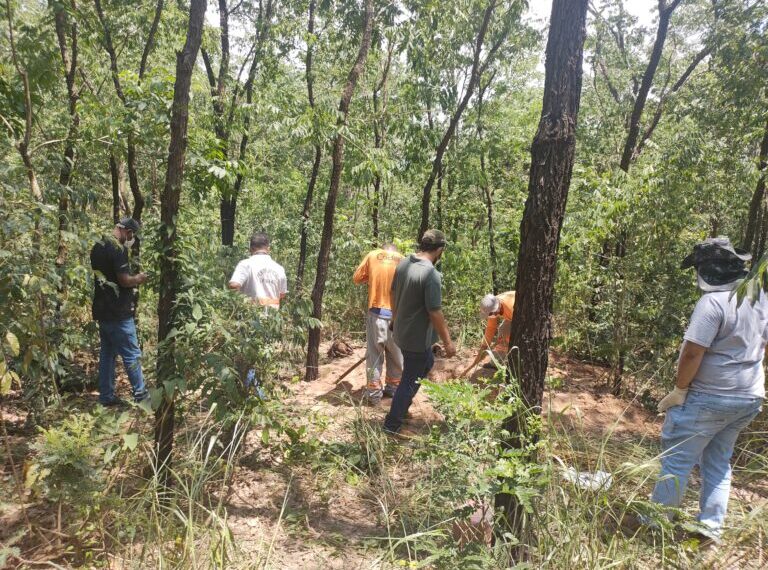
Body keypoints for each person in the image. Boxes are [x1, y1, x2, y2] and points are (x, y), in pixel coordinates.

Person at [651, 236, 765, 540]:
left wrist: (680, 389)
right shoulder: (759, 297)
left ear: (708, 270)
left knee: (677, 460)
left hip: (708, 397)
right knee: (718, 462)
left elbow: (692, 352)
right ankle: (709, 529)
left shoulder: (712, 302)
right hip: (748, 398)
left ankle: (656, 527)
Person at [384, 229, 456, 434]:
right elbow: (435, 312)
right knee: (410, 379)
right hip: (416, 338)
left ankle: (401, 408)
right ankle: (392, 425)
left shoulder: (405, 262)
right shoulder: (431, 274)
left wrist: (395, 319)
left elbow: (393, 292)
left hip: (402, 333)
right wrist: (448, 342)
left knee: (426, 363)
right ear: (440, 249)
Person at [90, 217, 148, 406]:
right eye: (131, 234)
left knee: (107, 354)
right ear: (125, 231)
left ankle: (106, 396)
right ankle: (141, 396)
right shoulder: (118, 248)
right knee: (132, 353)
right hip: (118, 313)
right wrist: (138, 278)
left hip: (102, 310)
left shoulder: (98, 245)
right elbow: (124, 280)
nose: (131, 238)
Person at [353, 243, 404, 403]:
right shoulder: (403, 260)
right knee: (397, 355)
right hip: (398, 315)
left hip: (376, 313)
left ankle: (374, 394)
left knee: (374, 354)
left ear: (383, 249)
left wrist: (373, 277)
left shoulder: (372, 255)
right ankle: (394, 389)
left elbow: (357, 278)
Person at [461, 291, 516, 377]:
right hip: (512, 317)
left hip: (527, 317)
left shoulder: (510, 306)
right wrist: (484, 347)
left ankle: (515, 364)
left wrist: (509, 332)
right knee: (503, 330)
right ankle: (496, 362)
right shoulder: (492, 308)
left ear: (497, 308)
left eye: (491, 314)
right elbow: (491, 328)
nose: (490, 316)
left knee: (506, 333)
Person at [229, 232, 288, 309]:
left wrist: (241, 303)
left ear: (250, 249)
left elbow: (234, 285)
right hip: (273, 317)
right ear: (268, 249)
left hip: (250, 315)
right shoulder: (279, 268)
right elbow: (282, 294)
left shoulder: (246, 264)